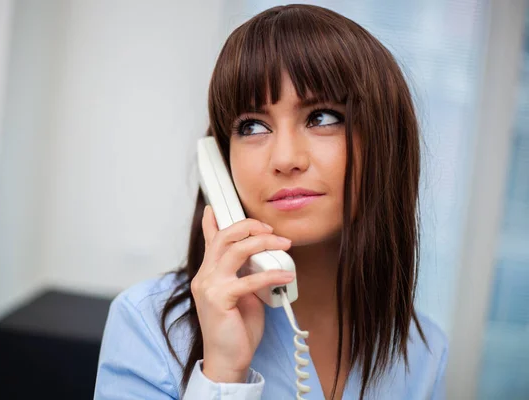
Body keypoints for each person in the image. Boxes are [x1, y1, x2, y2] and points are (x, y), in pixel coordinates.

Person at [93, 4, 448, 400]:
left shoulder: (423, 352)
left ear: (385, 144)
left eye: (323, 118)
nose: (285, 159)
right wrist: (223, 375)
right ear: (220, 162)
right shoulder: (148, 325)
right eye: (253, 126)